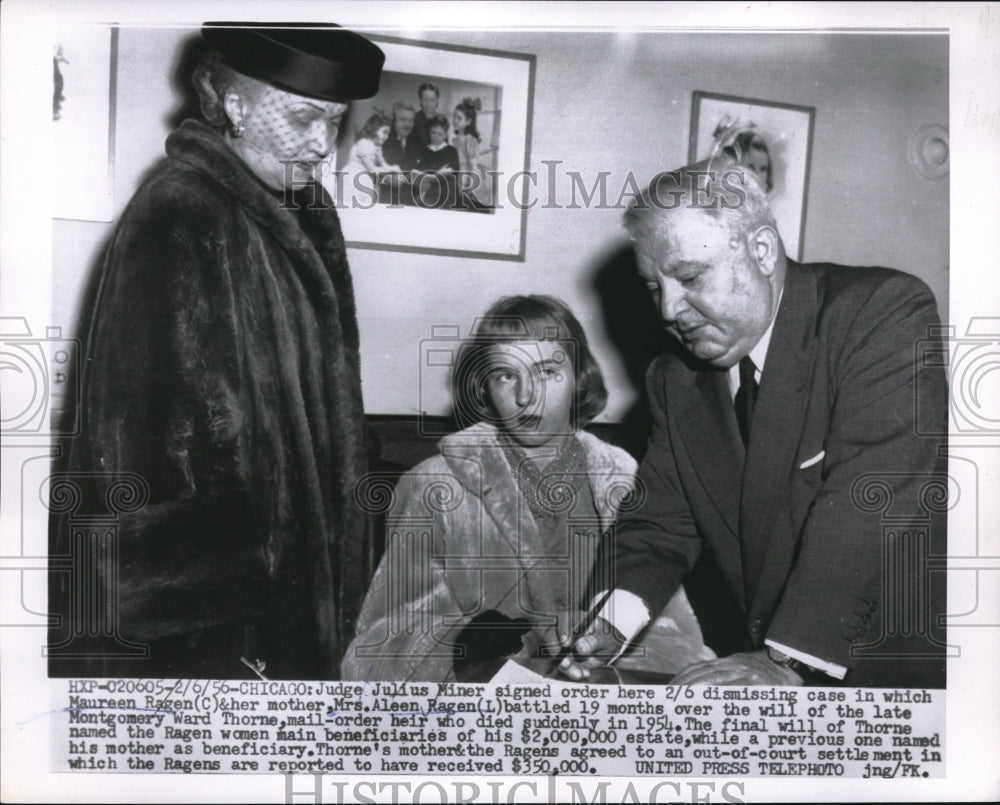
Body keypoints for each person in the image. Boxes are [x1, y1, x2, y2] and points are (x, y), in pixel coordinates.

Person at [47, 22, 385, 680]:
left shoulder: (298, 213)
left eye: (336, 121)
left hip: (290, 582)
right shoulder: (182, 208)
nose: (323, 143)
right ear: (235, 104)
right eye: (305, 118)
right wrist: (223, 639)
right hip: (219, 625)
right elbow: (143, 445)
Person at [557, 160, 948, 688]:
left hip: (892, 670)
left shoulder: (879, 314)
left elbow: (868, 500)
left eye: (690, 277)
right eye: (654, 288)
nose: (670, 310)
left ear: (762, 251)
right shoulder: (675, 379)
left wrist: (783, 661)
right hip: (764, 666)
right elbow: (660, 522)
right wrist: (612, 619)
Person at [342, 295, 712, 682]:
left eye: (547, 372)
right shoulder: (433, 487)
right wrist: (514, 646)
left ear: (579, 378)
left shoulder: (624, 480)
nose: (526, 397)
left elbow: (678, 646)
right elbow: (380, 658)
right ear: (484, 387)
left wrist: (599, 655)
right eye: (506, 375)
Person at [452, 97, 490, 207]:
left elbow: (473, 166)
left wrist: (471, 186)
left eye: (459, 118)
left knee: (467, 204)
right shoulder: (456, 139)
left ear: (468, 121)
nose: (455, 120)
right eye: (454, 117)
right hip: (457, 176)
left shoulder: (469, 140)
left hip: (466, 178)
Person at [344, 110, 402, 175]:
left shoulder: (376, 147)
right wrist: (392, 169)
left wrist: (394, 168)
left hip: (363, 177)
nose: (387, 137)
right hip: (352, 176)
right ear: (375, 129)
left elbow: (384, 166)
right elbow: (372, 170)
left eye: (388, 134)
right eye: (384, 132)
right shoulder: (364, 143)